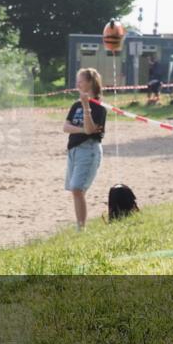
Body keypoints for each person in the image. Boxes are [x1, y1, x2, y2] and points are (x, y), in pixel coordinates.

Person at [62, 68, 107, 231]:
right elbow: (66, 127)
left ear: (90, 83)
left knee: (77, 188)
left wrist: (86, 106)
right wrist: (81, 129)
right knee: (76, 190)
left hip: (89, 150)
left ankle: (81, 228)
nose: (77, 84)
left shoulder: (99, 108)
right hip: (74, 150)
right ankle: (80, 225)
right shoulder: (75, 105)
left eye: (80, 80)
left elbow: (90, 130)